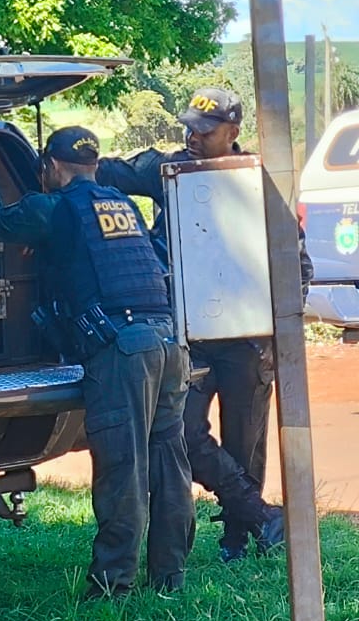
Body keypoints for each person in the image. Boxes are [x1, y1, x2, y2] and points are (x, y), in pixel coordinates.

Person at [0, 125, 193, 598]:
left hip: (124, 352)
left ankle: (114, 586)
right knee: (169, 461)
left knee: (123, 466)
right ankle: (169, 579)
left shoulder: (50, 206)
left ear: (51, 168)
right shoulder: (121, 205)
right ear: (94, 164)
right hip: (170, 342)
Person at [96, 86, 310, 563]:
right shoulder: (168, 169)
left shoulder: (259, 182)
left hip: (248, 339)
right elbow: (110, 171)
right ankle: (259, 514)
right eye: (189, 126)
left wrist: (282, 331)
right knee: (182, 432)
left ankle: (239, 538)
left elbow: (298, 265)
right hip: (188, 335)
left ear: (233, 132)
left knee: (244, 442)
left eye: (205, 130)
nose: (192, 136)